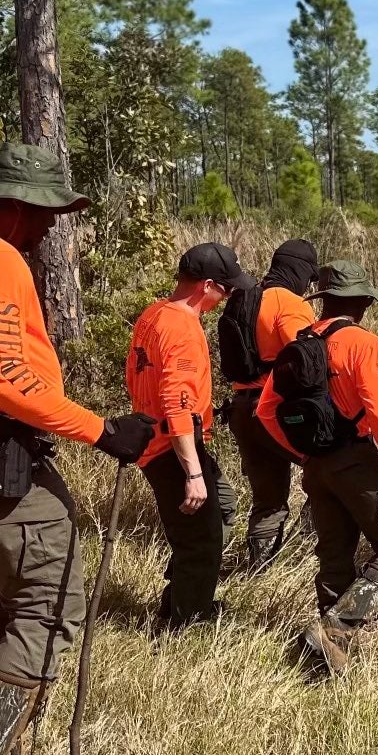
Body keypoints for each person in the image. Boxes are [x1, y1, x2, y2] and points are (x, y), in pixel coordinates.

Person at [0, 143, 155, 745]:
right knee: (46, 599)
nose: (48, 225)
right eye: (43, 212)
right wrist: (103, 431)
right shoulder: (5, 258)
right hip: (9, 465)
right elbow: (7, 375)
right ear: (15, 205)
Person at [256, 261, 378, 673]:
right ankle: (337, 629)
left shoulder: (300, 344)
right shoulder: (366, 344)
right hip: (359, 462)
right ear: (362, 302)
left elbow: (265, 410)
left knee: (334, 556)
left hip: (317, 467)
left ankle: (328, 656)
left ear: (324, 301)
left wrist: (301, 455)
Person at [127, 243, 248, 629]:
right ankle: (184, 622)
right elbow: (177, 402)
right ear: (206, 285)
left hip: (159, 441)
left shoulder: (154, 314)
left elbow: (135, 376)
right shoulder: (182, 327)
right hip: (173, 447)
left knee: (222, 504)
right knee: (201, 539)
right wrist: (193, 472)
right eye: (225, 290)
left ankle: (181, 595)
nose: (227, 297)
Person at [220, 239, 318, 570]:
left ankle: (260, 570)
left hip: (240, 412)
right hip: (277, 411)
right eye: (310, 276)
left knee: (268, 499)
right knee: (327, 474)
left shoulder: (242, 298)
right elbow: (306, 361)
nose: (309, 284)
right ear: (300, 271)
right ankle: (314, 553)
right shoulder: (291, 304)